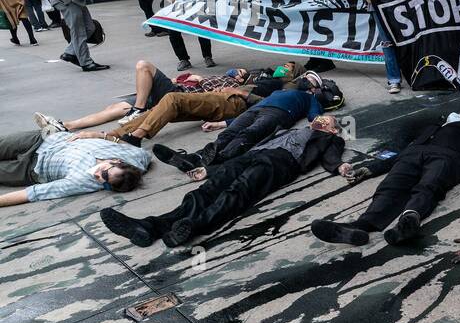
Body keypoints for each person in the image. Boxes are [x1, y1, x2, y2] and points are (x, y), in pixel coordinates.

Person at [100, 115, 357, 248]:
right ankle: (149, 227)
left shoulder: (331, 139)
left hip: (280, 162)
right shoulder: (291, 129)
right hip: (252, 155)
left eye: (329, 121)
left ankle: (192, 226)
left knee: (238, 191)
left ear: (333, 129)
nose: (322, 119)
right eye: (320, 117)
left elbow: (331, 156)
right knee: (206, 190)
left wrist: (340, 166)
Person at [313, 112, 460, 247]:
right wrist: (370, 169)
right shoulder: (431, 128)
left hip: (447, 156)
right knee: (390, 186)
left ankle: (409, 220)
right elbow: (401, 153)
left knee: (429, 185)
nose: (455, 114)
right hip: (413, 155)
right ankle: (361, 226)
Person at [33, 60, 255, 137]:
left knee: (143, 65)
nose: (238, 72)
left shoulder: (235, 88)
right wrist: (195, 77)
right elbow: (187, 78)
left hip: (180, 96)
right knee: (115, 108)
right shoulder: (218, 76)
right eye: (237, 70)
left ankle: (137, 110)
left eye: (242, 73)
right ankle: (65, 126)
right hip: (173, 89)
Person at [155, 78, 334, 172]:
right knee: (229, 133)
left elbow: (315, 117)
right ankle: (194, 158)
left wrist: (327, 126)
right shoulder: (281, 91)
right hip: (256, 109)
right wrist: (219, 124)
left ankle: (212, 162)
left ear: (314, 90)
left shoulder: (309, 98)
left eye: (311, 82)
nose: (305, 81)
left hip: (278, 114)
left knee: (248, 135)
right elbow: (251, 108)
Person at [0, 129, 148, 207]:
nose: (98, 176)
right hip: (44, 140)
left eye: (105, 183)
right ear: (115, 161)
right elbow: (145, 155)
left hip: (31, 168)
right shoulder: (135, 157)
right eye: (104, 172)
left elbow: (34, 193)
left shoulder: (84, 182)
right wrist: (97, 135)